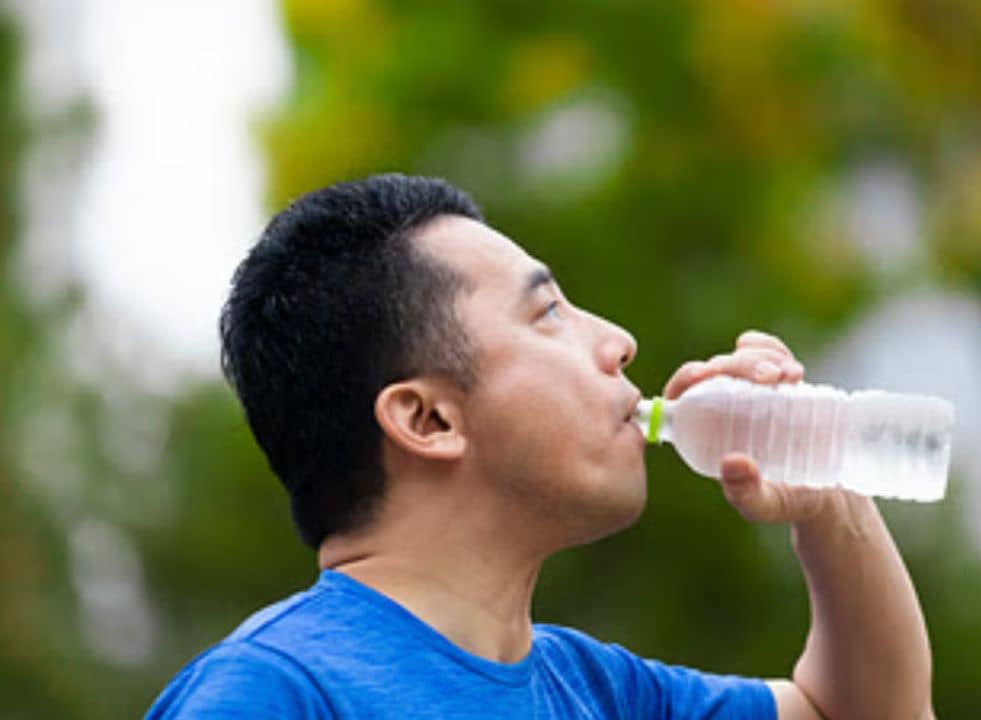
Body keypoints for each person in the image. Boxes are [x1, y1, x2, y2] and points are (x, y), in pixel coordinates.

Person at [146, 174, 934, 719]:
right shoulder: (276, 694)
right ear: (427, 421)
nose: (620, 343)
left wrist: (828, 498)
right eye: (549, 313)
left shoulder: (597, 693)